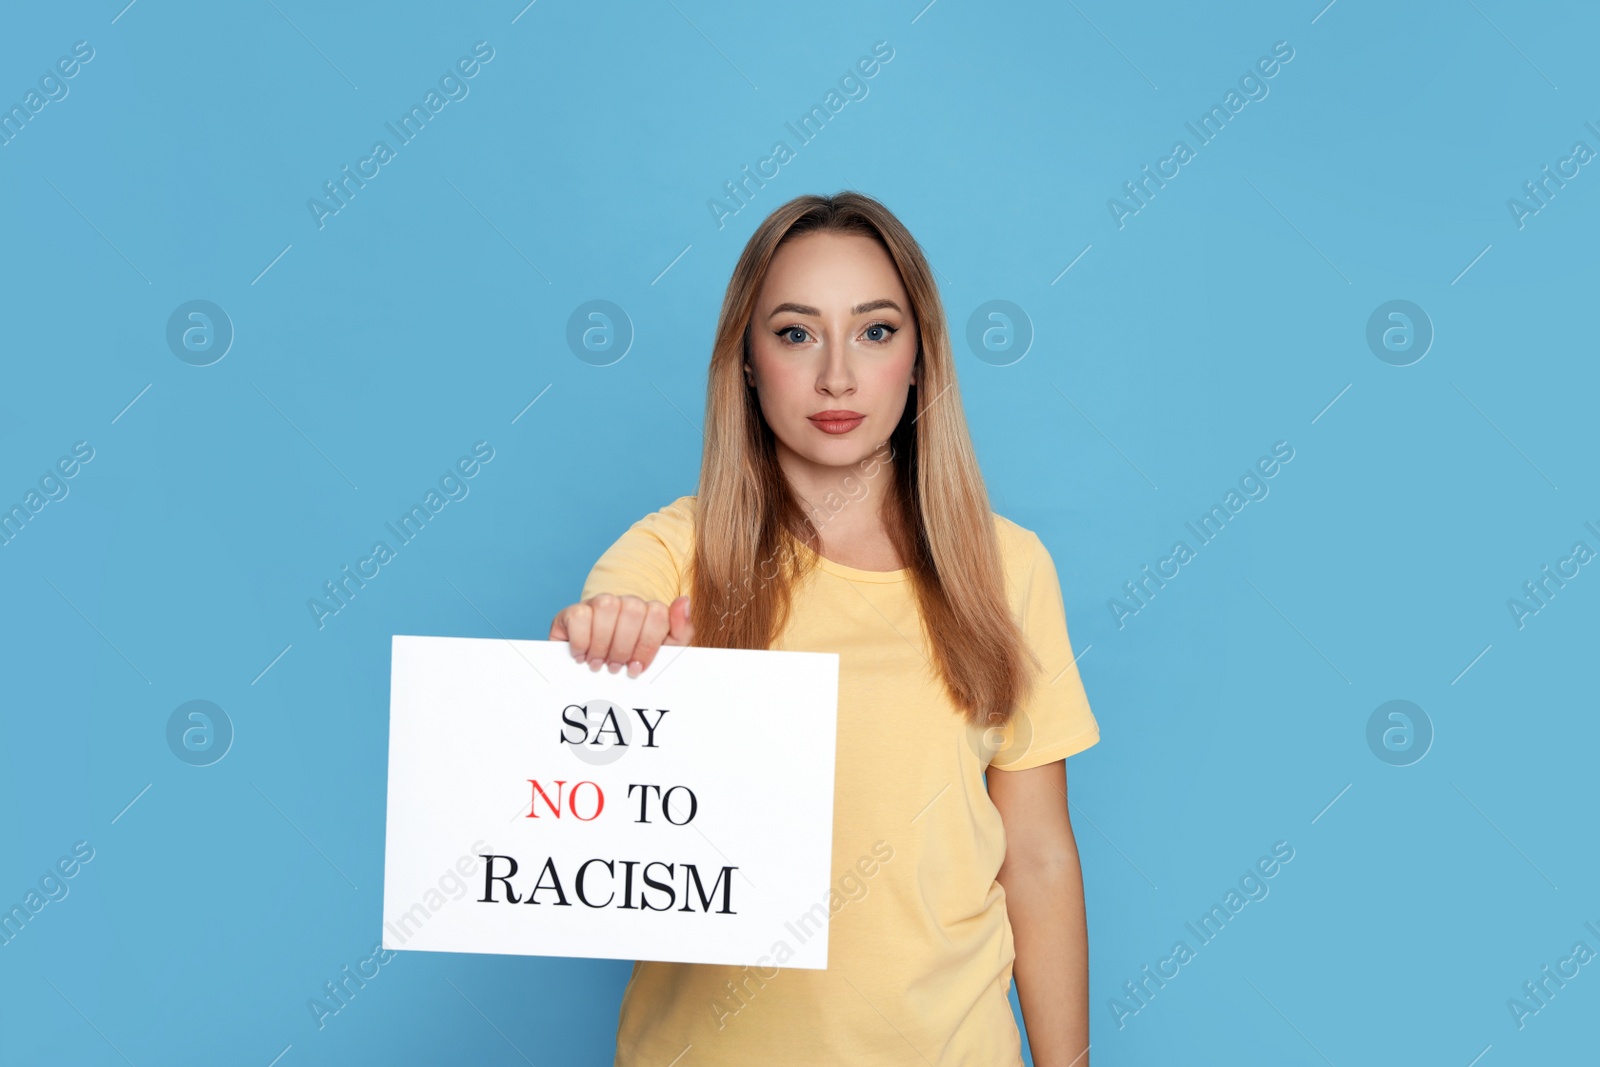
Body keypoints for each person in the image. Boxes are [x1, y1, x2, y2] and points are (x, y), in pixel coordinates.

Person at [549, 191, 1100, 1066]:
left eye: (876, 331)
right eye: (797, 333)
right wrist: (609, 637)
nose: (837, 376)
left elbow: (1035, 857)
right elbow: (584, 657)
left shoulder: (1007, 567)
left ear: (920, 360)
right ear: (745, 361)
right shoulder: (668, 553)